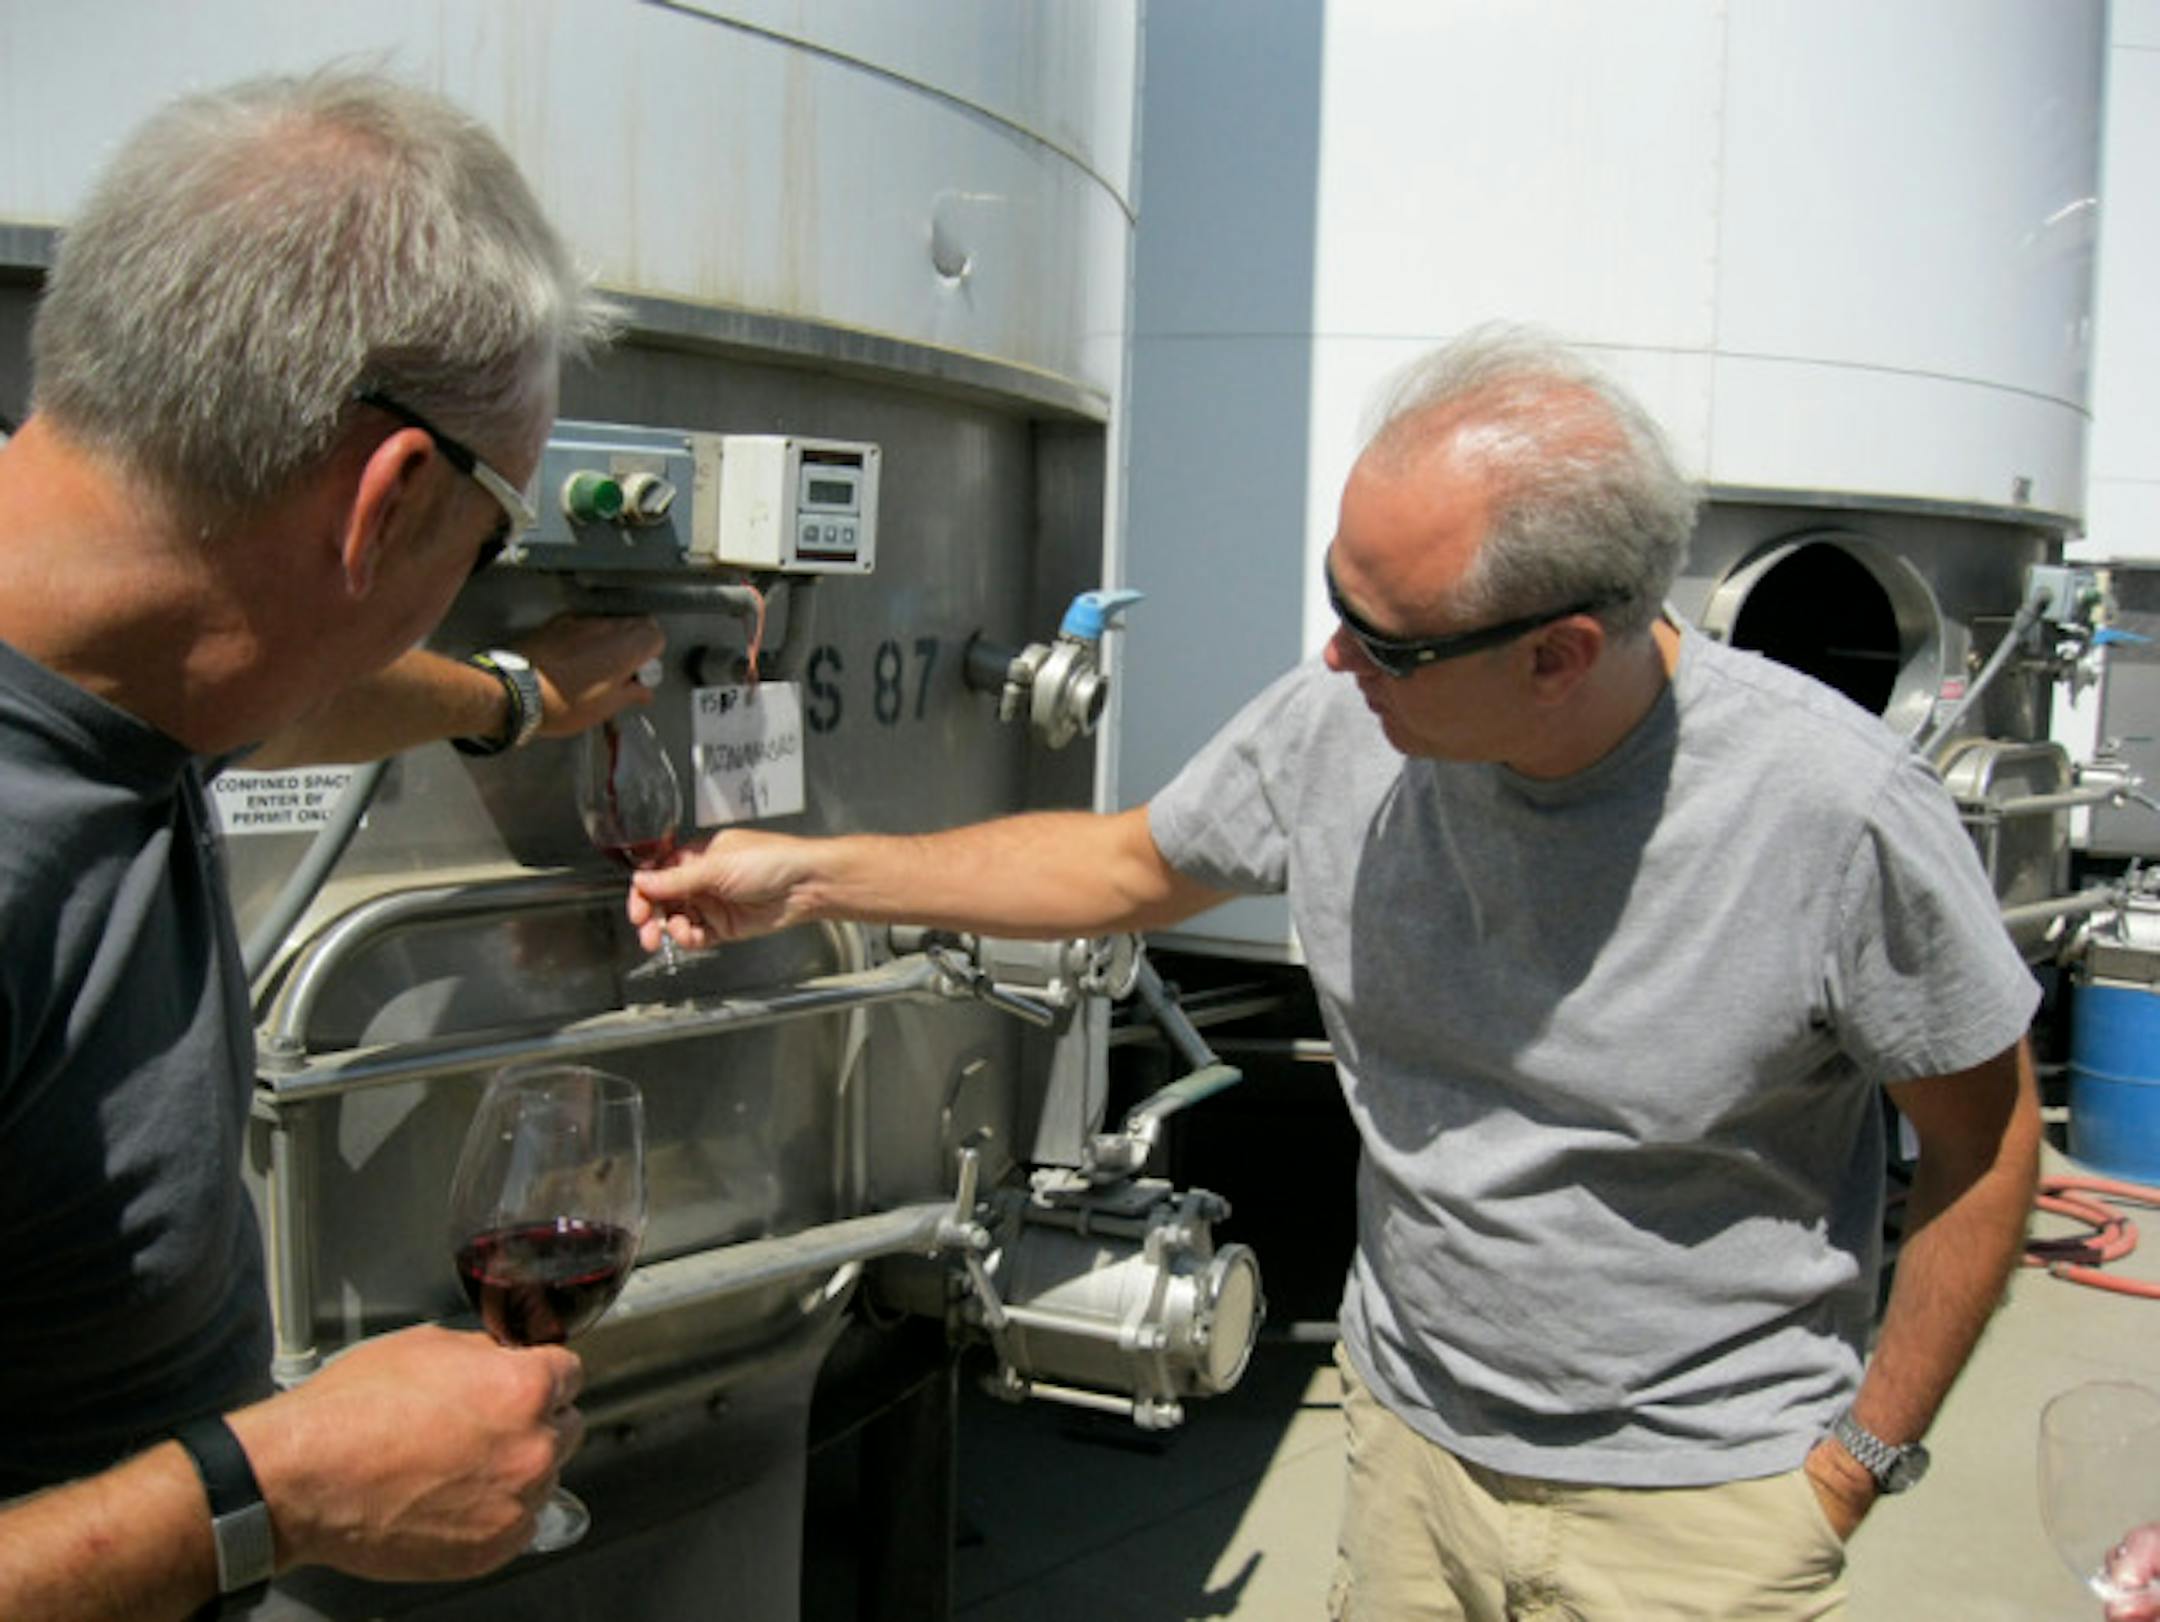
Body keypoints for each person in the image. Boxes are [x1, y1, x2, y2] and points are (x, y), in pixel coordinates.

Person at [631, 326, 2043, 1616]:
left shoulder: (1834, 813)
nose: (1331, 655)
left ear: (1559, 656)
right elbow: (1125, 865)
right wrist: (807, 876)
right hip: (1413, 1454)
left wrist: (1854, 1464)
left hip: (1701, 1512)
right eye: (1335, 597)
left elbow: (1985, 1147)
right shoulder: (1346, 718)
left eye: (1385, 639)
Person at [0, 69, 664, 1617]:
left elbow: (272, 679)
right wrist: (278, 1495)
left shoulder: (109, 613)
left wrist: (509, 697)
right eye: (485, 543)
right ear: (391, 500)